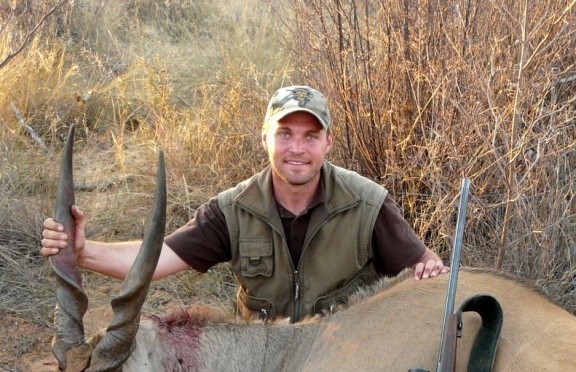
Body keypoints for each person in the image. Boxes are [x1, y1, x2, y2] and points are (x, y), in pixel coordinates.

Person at [41, 85, 448, 322]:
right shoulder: (232, 209)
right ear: (265, 139)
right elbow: (157, 258)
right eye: (285, 133)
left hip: (341, 365)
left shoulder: (367, 203)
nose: (297, 149)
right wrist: (82, 252)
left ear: (329, 143)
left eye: (310, 136)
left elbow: (430, 278)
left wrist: (432, 274)